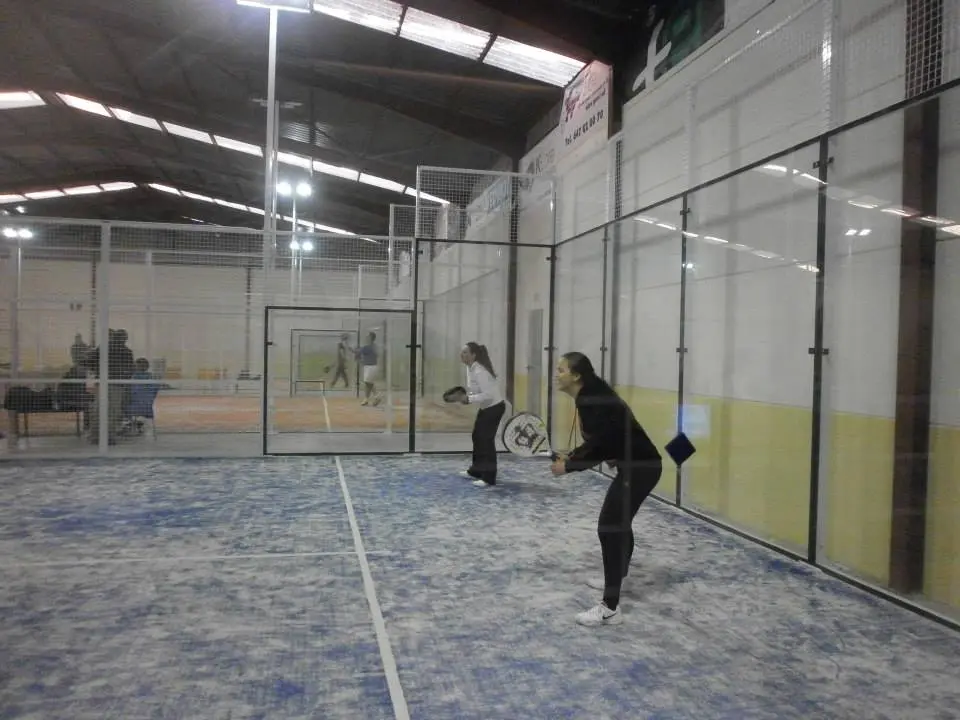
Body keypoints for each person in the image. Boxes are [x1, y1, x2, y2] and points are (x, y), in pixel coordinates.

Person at [551, 351, 662, 627]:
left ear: (576, 376)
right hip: (638, 466)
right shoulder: (592, 396)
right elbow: (602, 441)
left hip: (640, 468)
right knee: (620, 523)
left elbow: (602, 446)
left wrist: (569, 466)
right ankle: (618, 575)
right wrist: (574, 455)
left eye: (561, 370)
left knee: (610, 526)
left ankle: (610, 608)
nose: (557, 374)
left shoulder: (592, 401)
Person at [458, 342, 505, 487]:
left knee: (486, 441)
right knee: (477, 436)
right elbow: (477, 391)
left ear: (473, 355)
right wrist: (468, 397)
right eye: (462, 352)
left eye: (466, 352)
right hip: (486, 407)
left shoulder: (480, 371)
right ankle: (476, 470)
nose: (462, 355)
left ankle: (489, 477)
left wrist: (469, 399)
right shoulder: (470, 369)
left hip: (494, 407)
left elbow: (489, 395)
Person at [355, 332, 381, 406]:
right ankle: (369, 399)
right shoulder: (373, 346)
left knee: (368, 383)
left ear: (371, 338)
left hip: (370, 367)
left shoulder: (368, 347)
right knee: (368, 383)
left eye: (368, 337)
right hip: (369, 367)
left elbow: (357, 352)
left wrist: (349, 348)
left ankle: (376, 396)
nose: (366, 338)